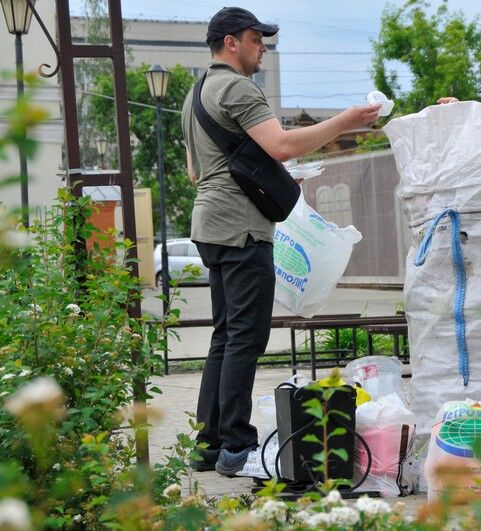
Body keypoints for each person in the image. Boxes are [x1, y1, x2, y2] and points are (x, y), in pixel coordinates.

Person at [181, 6, 381, 477]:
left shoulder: (196, 93)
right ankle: (237, 445)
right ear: (231, 42)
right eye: (256, 39)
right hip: (242, 228)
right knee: (246, 339)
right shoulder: (235, 87)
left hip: (210, 224)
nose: (263, 48)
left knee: (225, 336)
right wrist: (348, 120)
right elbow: (284, 145)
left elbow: (195, 172)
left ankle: (207, 444)